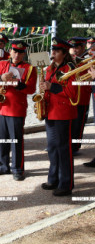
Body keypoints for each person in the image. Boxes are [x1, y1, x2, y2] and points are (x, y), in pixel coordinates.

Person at [0, 40, 37, 181]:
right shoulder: (2, 64)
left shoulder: (29, 68)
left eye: (20, 53)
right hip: (0, 107)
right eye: (15, 51)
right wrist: (0, 77)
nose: (17, 55)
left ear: (24, 54)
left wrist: (17, 85)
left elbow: (31, 89)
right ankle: (3, 166)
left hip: (16, 109)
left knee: (16, 141)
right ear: (10, 51)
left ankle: (18, 169)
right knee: (1, 140)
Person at [40, 37, 77, 196]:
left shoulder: (70, 69)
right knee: (52, 147)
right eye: (52, 50)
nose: (52, 53)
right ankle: (53, 178)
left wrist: (52, 87)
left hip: (63, 113)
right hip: (51, 111)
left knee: (63, 148)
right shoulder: (49, 68)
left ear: (63, 53)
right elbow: (46, 87)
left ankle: (66, 183)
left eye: (56, 51)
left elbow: (72, 92)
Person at [68, 37, 91, 154]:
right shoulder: (68, 59)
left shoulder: (89, 58)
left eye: (77, 47)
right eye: (72, 47)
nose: (74, 50)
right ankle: (64, 144)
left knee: (78, 123)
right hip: (68, 96)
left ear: (83, 47)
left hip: (82, 96)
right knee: (67, 123)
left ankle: (75, 147)